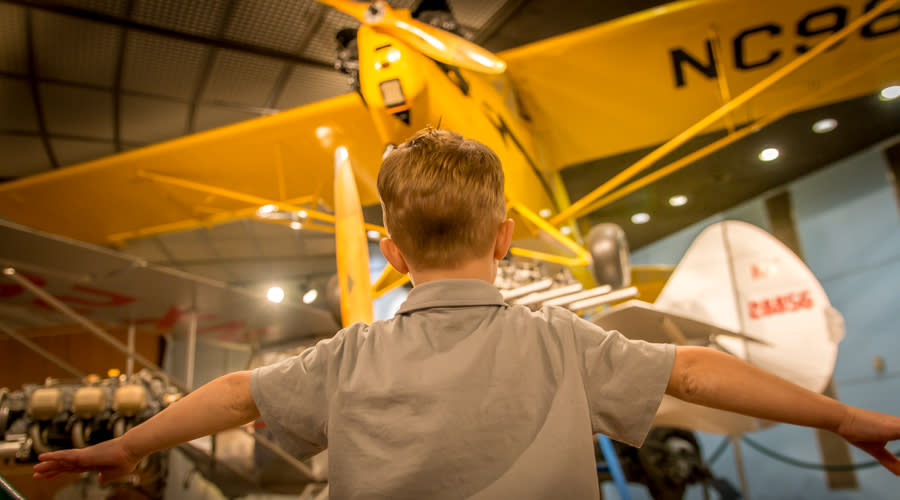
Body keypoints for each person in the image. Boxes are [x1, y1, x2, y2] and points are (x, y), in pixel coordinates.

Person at [33, 129, 900, 498]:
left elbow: (231, 392)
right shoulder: (564, 343)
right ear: (508, 239)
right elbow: (696, 370)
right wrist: (847, 414)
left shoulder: (345, 359)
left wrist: (120, 445)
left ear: (392, 253)